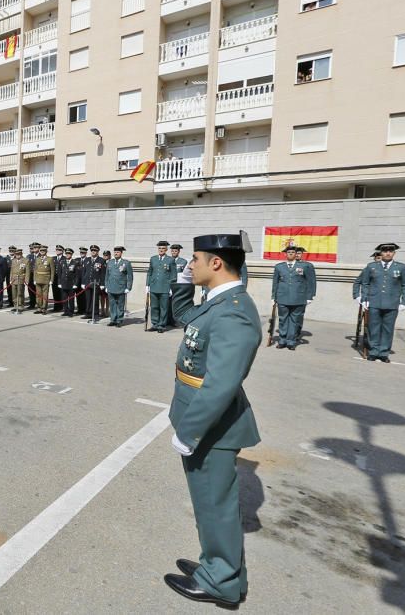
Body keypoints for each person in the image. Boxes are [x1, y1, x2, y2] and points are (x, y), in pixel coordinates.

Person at [164, 232, 262, 608]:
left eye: (195, 260)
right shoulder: (219, 302)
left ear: (216, 263)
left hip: (210, 425)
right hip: (201, 417)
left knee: (215, 505)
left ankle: (220, 580)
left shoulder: (235, 311)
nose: (191, 265)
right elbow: (186, 318)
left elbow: (222, 382)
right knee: (210, 504)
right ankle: (216, 566)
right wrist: (182, 286)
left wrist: (190, 431)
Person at [358, 243, 405, 363]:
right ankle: (373, 351)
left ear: (394, 253)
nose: (388, 253)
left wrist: (404, 302)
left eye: (390, 251)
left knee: (388, 329)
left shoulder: (401, 267)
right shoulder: (372, 266)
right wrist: (364, 298)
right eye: (385, 251)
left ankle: (383, 353)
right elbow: (365, 283)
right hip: (374, 302)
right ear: (380, 253)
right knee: (373, 328)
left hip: (392, 303)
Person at [271, 245, 315, 350]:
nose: (290, 253)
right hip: (282, 297)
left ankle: (291, 341)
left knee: (294, 320)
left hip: (298, 298)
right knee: (283, 319)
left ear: (296, 254)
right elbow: (275, 283)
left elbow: (311, 282)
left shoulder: (305, 266)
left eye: (293, 252)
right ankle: (282, 340)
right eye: (288, 252)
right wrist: (273, 296)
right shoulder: (279, 267)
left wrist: (310, 296)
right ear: (285, 254)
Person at [147, 240, 177, 332]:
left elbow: (173, 275)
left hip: (165, 288)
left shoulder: (170, 260)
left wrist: (171, 287)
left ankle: (161, 325)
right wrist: (147, 285)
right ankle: (155, 324)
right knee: (154, 307)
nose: (161, 250)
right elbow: (150, 272)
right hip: (154, 287)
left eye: (163, 248)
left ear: (166, 249)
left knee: (163, 308)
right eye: (159, 248)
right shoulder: (153, 259)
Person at [105, 246, 133, 327]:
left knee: (120, 305)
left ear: (121, 253)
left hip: (121, 287)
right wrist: (106, 286)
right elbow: (107, 275)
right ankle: (113, 319)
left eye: (118, 252)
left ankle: (119, 320)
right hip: (111, 287)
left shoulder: (126, 263)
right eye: (115, 252)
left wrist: (128, 287)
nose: (116, 253)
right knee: (112, 304)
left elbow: (130, 276)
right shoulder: (110, 262)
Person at [9, 247, 30, 314]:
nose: (18, 255)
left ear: (21, 254)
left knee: (20, 293)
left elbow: (27, 272)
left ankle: (21, 306)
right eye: (16, 254)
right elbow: (11, 271)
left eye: (19, 254)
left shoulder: (25, 260)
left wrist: (26, 280)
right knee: (14, 293)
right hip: (14, 279)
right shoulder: (13, 260)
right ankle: (15, 306)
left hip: (21, 278)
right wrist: (11, 279)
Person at [32, 245, 53, 315]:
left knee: (45, 295)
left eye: (43, 251)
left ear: (46, 252)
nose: (42, 252)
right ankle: (39, 307)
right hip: (38, 279)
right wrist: (34, 279)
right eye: (41, 251)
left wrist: (51, 280)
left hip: (46, 279)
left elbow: (52, 271)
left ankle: (44, 308)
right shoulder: (37, 259)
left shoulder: (50, 259)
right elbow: (35, 270)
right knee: (38, 295)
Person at [58, 248, 79, 317]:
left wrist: (75, 284)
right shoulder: (62, 262)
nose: (67, 255)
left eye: (69, 254)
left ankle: (71, 311)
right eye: (66, 254)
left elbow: (77, 275)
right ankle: (65, 311)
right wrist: (59, 283)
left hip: (71, 284)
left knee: (71, 299)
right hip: (63, 283)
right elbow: (59, 273)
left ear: (71, 254)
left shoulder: (75, 262)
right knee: (64, 298)